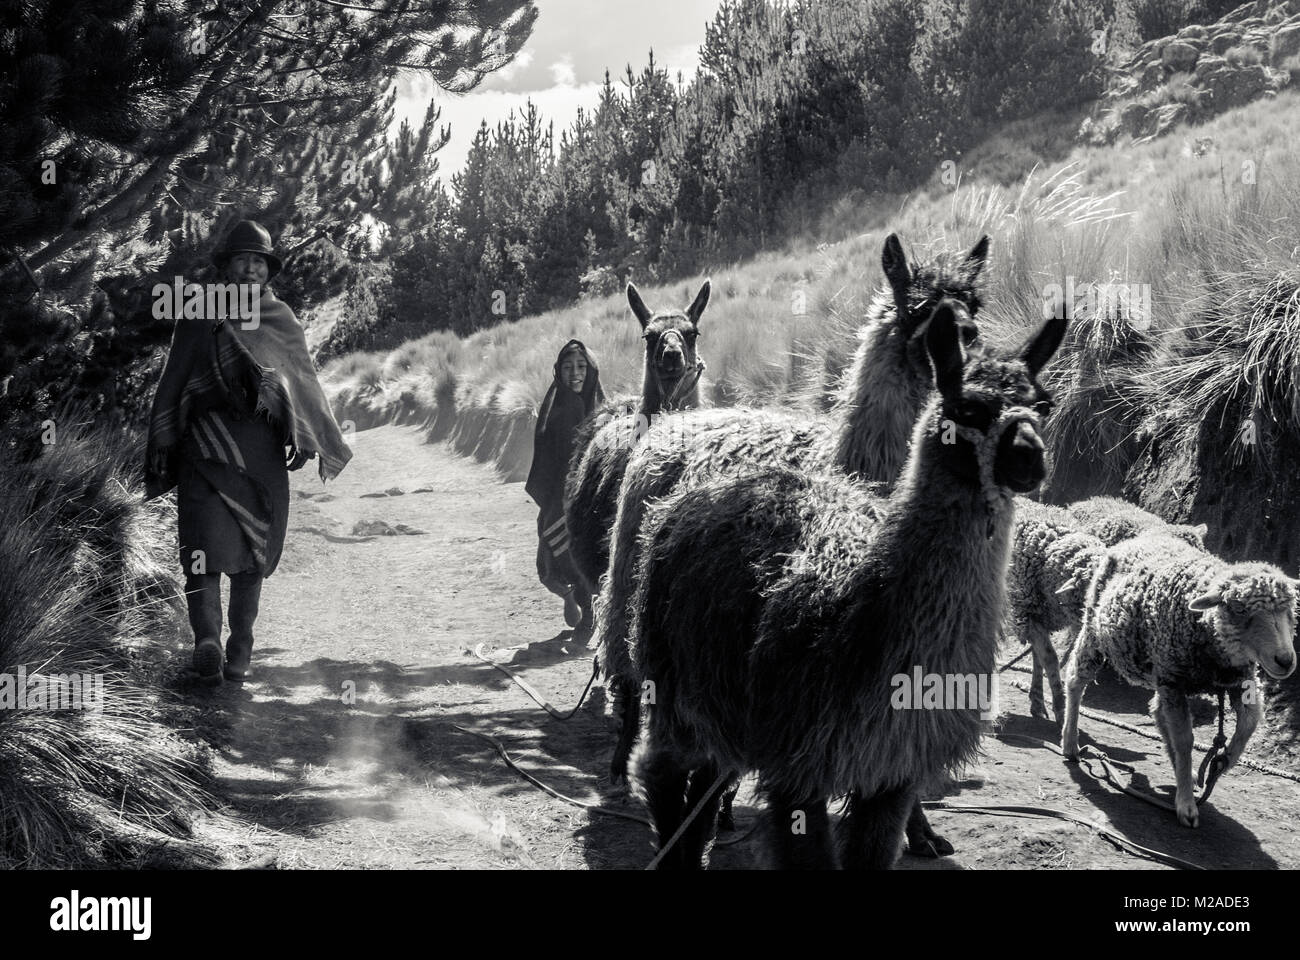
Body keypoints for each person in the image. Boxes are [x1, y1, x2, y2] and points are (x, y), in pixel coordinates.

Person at [144, 220, 353, 685]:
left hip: (260, 450)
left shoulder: (281, 318)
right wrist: (162, 439)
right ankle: (208, 641)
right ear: (228, 266)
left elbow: (302, 380)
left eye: (260, 261)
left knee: (251, 553)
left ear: (268, 270)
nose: (252, 267)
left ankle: (240, 647)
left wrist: (307, 434)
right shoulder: (200, 312)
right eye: (244, 259)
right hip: (204, 446)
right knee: (202, 549)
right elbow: (175, 377)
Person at [525, 340, 604, 629]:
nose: (575, 373)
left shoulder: (595, 404)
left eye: (581, 366)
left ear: (591, 370)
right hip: (567, 496)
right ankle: (584, 608)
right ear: (558, 371)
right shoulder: (566, 407)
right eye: (568, 367)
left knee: (556, 560)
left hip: (584, 496)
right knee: (568, 551)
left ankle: (583, 608)